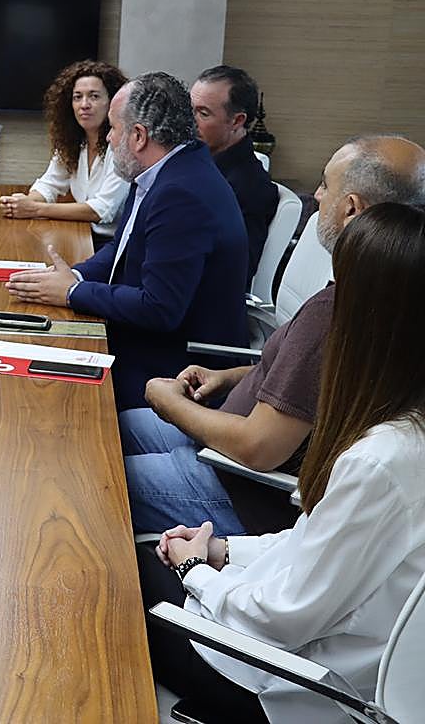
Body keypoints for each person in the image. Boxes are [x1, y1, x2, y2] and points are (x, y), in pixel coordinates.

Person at [140, 202, 425, 724]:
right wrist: (224, 550)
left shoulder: (381, 462)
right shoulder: (404, 430)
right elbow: (312, 544)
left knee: (125, 581)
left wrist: (195, 570)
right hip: (318, 649)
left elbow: (284, 619)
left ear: (370, 320)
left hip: (294, 688)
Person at [123, 135, 425, 536]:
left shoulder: (339, 311)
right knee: (122, 427)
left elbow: (258, 447)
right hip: (226, 443)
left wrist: (167, 404)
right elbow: (308, 383)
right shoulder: (388, 292)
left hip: (238, 489)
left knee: (98, 474)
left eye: (325, 185)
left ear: (351, 208)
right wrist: (229, 377)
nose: (316, 196)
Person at [6, 72, 249, 411]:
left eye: (113, 128)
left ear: (138, 136)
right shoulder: (157, 171)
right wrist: (74, 277)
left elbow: (159, 308)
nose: (107, 137)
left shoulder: (181, 193)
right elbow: (120, 251)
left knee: (43, 400)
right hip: (142, 340)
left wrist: (73, 294)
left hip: (174, 370)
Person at [0, 59, 131, 249]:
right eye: (77, 97)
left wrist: (35, 209)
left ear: (112, 102)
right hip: (81, 234)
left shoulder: (121, 146)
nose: (84, 104)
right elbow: (49, 184)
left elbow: (102, 210)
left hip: (112, 245)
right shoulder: (73, 141)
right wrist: (20, 203)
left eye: (94, 96)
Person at [190, 65, 279, 284]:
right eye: (189, 110)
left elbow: (236, 271)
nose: (190, 122)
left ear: (237, 121)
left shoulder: (249, 187)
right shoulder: (197, 160)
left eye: (203, 113)